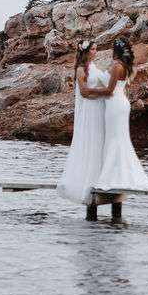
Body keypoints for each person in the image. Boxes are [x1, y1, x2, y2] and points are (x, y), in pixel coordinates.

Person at [93, 37, 148, 191]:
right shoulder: (126, 66)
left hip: (114, 104)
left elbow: (109, 90)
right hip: (119, 102)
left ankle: (110, 177)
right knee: (119, 138)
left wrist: (89, 91)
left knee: (114, 138)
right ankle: (119, 175)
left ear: (116, 50)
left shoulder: (117, 66)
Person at [56, 39, 109, 204]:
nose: (95, 52)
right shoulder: (80, 69)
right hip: (90, 109)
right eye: (93, 49)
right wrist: (105, 92)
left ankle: (100, 176)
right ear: (86, 51)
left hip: (99, 109)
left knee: (100, 141)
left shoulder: (94, 67)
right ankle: (87, 178)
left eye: (96, 49)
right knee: (91, 140)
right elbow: (85, 92)